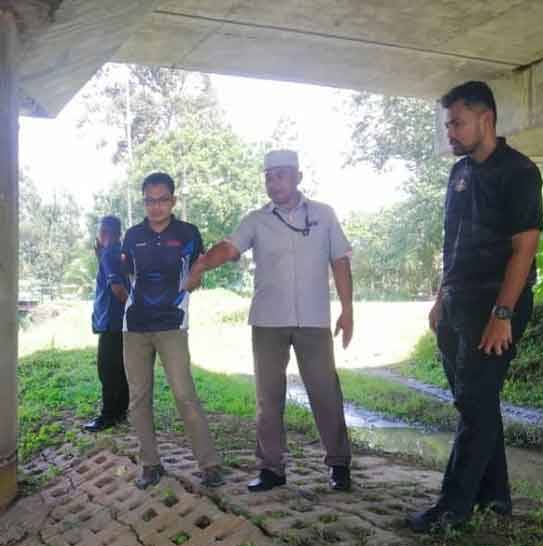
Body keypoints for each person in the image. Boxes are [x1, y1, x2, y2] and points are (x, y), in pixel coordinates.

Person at [407, 81, 542, 532]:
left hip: (495, 307)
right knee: (474, 404)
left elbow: (524, 250)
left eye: (457, 123)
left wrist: (502, 315)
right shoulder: (460, 173)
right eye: (448, 124)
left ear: (486, 119)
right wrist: (440, 298)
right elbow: (452, 242)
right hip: (457, 304)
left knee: (477, 401)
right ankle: (495, 495)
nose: (451, 132)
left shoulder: (520, 172)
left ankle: (452, 507)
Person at [186, 150, 354, 493]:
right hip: (268, 321)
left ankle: (339, 465)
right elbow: (230, 248)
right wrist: (203, 264)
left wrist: (347, 310)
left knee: (325, 392)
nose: (273, 182)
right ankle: (271, 469)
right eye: (268, 176)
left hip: (313, 319)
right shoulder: (256, 219)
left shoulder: (323, 215)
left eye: (280, 175)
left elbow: (340, 261)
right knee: (268, 396)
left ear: (298, 177)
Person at [121, 172, 223, 489]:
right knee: (138, 398)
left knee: (184, 394)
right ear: (144, 202)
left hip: (172, 324)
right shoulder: (132, 235)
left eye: (162, 199)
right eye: (150, 200)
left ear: (173, 201)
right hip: (135, 327)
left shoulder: (188, 233)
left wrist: (196, 275)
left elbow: (199, 268)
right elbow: (124, 274)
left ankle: (209, 465)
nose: (156, 206)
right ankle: (150, 465)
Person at [83, 215, 130, 432]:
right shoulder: (118, 253)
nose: (101, 236)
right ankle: (120, 412)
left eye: (103, 232)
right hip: (120, 323)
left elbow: (118, 289)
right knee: (120, 370)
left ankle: (108, 416)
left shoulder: (110, 255)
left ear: (109, 234)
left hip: (112, 323)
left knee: (108, 371)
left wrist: (132, 306)